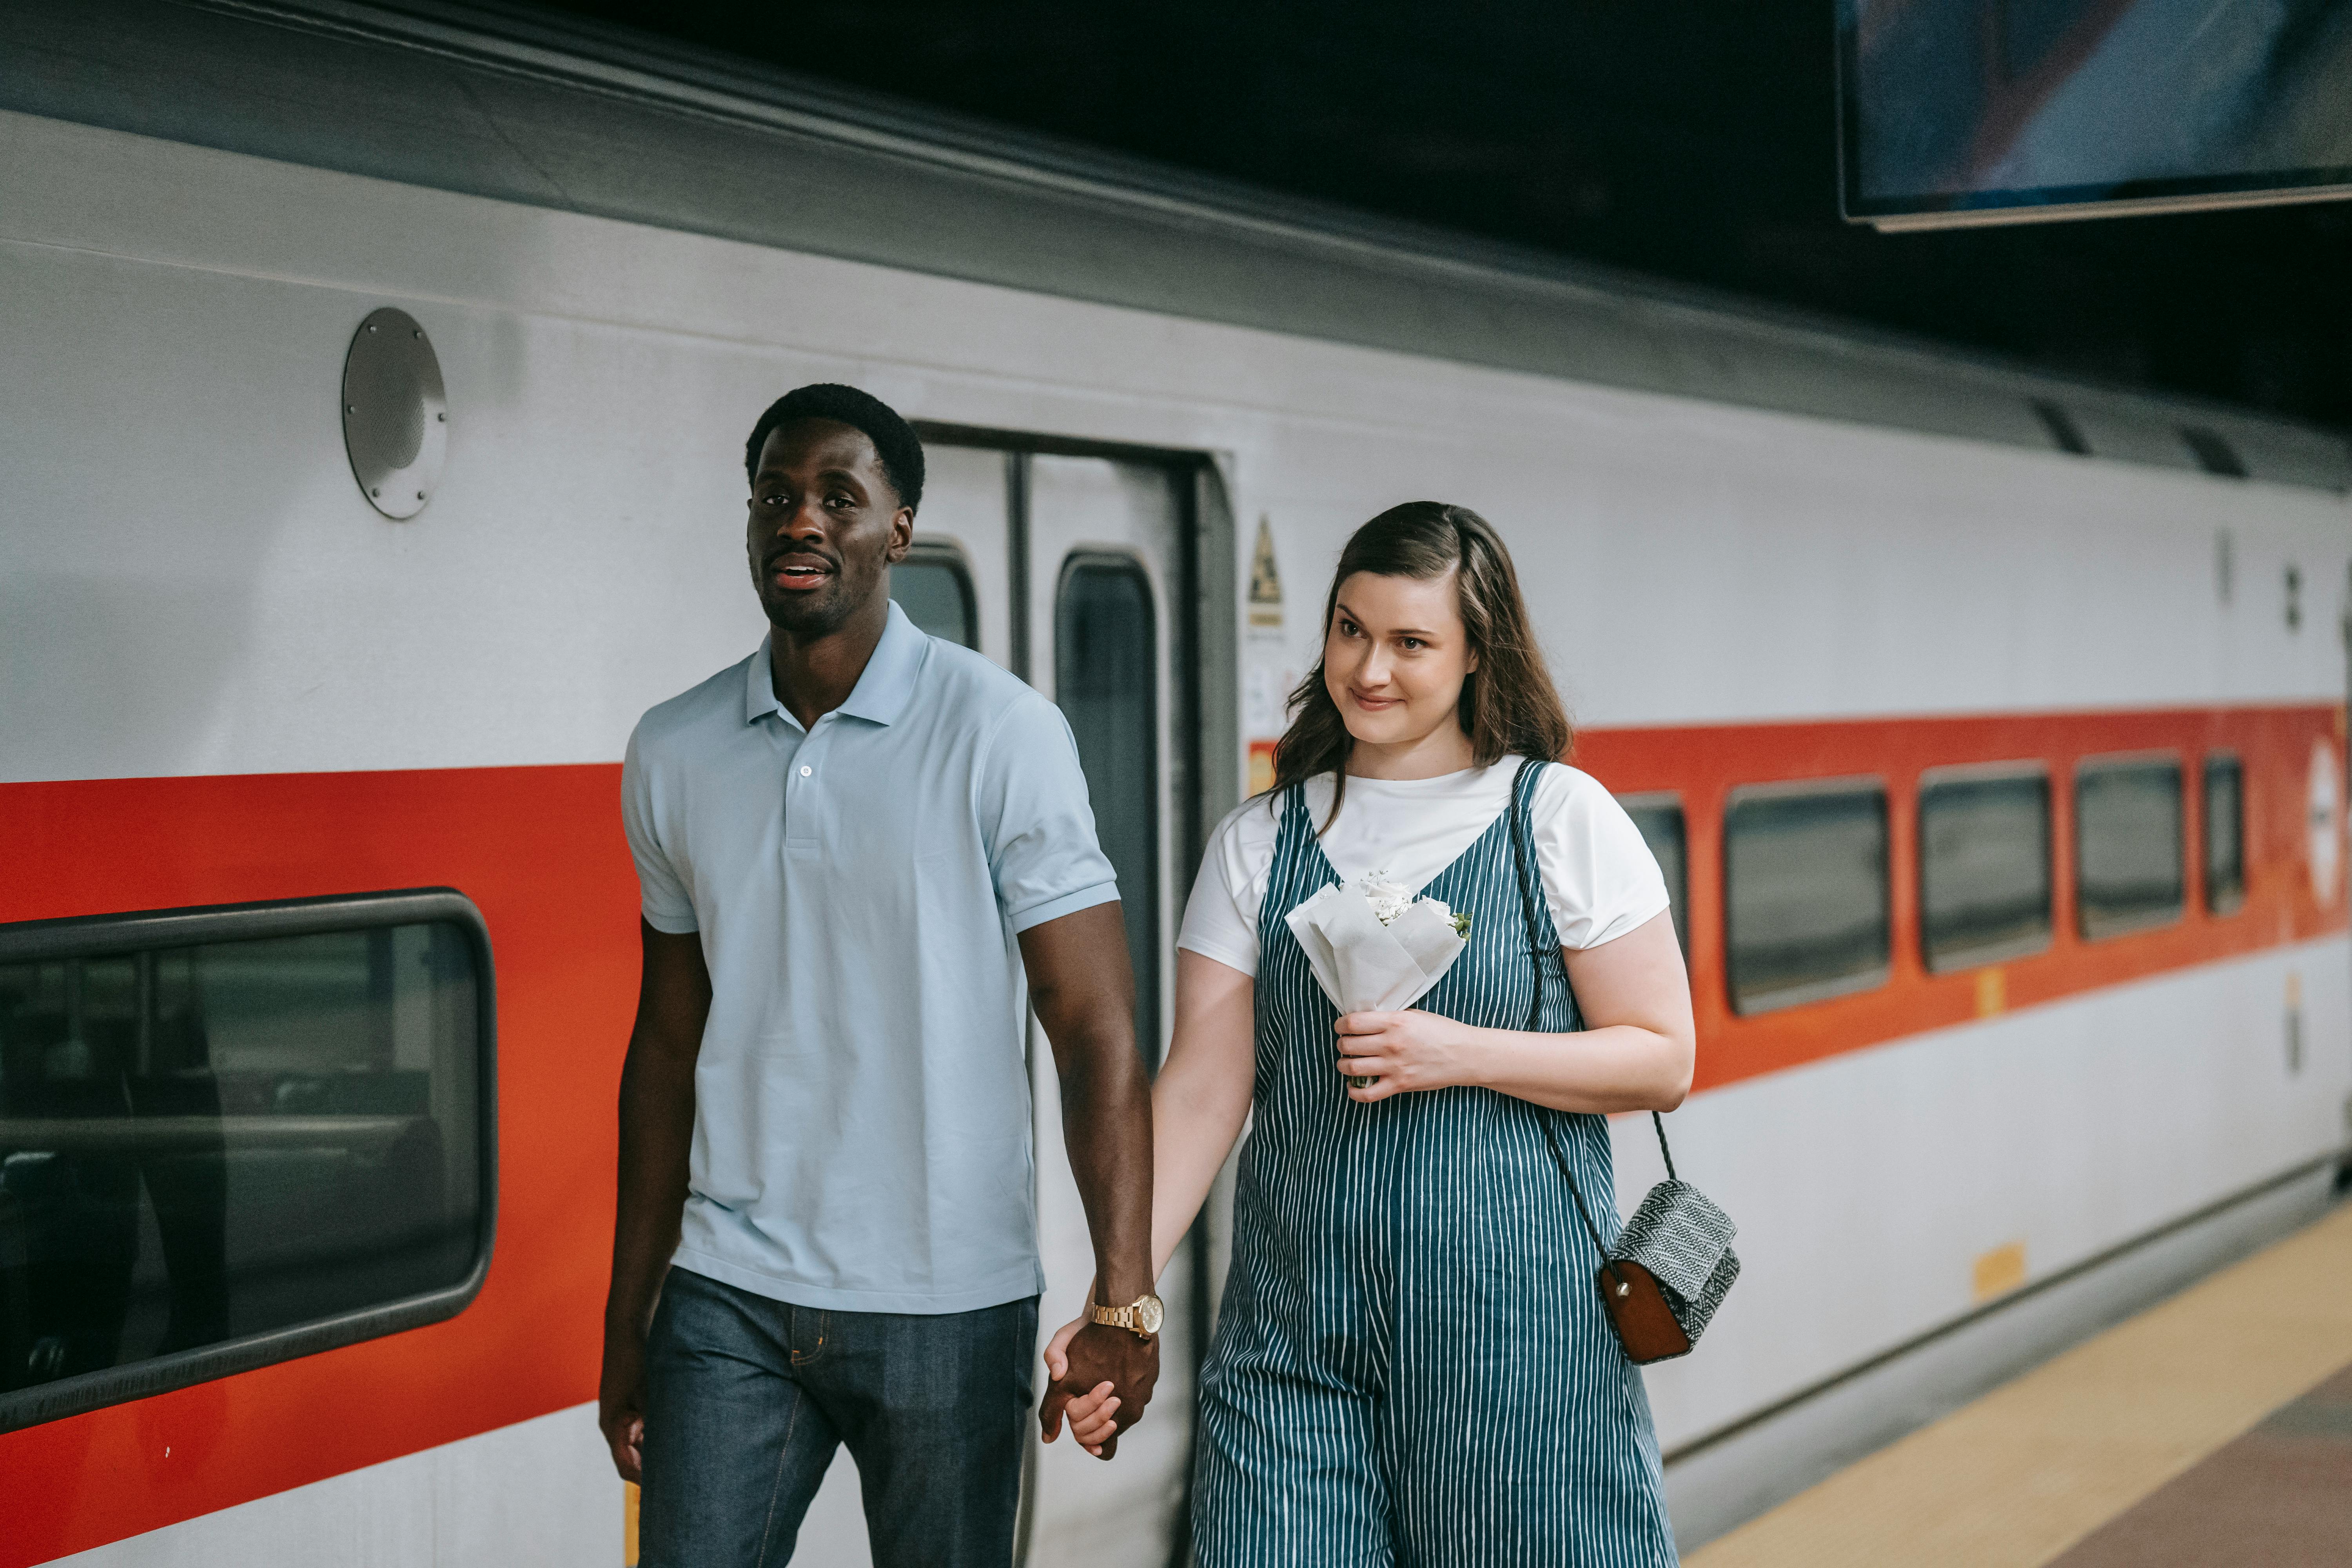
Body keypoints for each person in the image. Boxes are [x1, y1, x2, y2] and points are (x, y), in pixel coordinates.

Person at [1045, 501, 1693, 1564]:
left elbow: (1664, 1058)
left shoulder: (1560, 820)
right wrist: (1120, 1297)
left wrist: (1461, 1051)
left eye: (1410, 642)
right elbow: (1205, 1090)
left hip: (1521, 1345)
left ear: (1478, 652)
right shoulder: (1261, 840)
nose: (1369, 668)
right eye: (1351, 630)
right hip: (1295, 1342)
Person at [600, 383, 1163, 1568]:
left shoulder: (1002, 733)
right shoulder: (673, 748)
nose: (799, 521)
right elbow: (665, 1040)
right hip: (730, 1291)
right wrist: (629, 1311)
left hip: (949, 1304)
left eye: (837, 498)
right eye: (775, 496)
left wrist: (1123, 1299)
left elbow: (1094, 1025)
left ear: (899, 528)